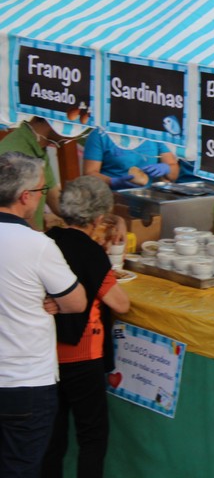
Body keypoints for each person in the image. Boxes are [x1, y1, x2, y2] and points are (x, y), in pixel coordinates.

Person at [0, 152, 86, 477]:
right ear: (25, 197)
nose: (41, 197)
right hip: (25, 382)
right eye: (40, 190)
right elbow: (76, 302)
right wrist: (53, 300)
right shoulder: (37, 245)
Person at [40, 176, 131, 478]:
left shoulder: (48, 241)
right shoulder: (91, 253)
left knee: (53, 438)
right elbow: (120, 304)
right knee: (92, 436)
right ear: (98, 219)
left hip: (48, 355)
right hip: (83, 355)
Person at [0, 117, 68, 230]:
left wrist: (87, 218)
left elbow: (54, 199)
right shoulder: (13, 153)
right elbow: (18, 208)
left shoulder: (39, 147)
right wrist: (40, 238)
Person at [82, 129, 178, 190]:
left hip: (147, 196)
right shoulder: (100, 134)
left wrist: (167, 168)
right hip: (110, 198)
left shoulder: (154, 134)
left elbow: (174, 172)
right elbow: (89, 174)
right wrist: (111, 181)